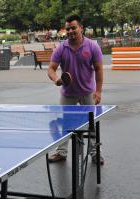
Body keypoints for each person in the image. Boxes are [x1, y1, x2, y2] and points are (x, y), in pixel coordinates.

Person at [47, 14, 104, 164]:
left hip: (87, 93)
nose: (71, 31)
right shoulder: (61, 48)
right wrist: (56, 79)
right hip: (68, 94)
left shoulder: (92, 46)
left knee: (91, 125)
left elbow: (98, 69)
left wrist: (98, 92)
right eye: (68, 29)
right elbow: (51, 69)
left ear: (81, 28)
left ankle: (95, 154)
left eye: (73, 27)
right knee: (66, 124)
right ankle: (62, 152)